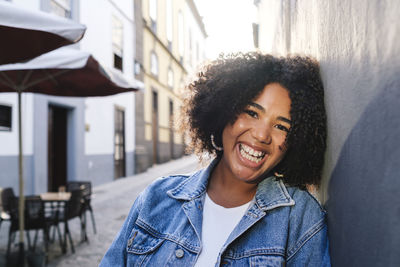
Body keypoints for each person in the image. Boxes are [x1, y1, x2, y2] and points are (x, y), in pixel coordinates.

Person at [100, 53, 330, 266]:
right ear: (223, 111)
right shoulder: (155, 198)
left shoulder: (300, 218)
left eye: (281, 126)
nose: (261, 135)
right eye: (252, 112)